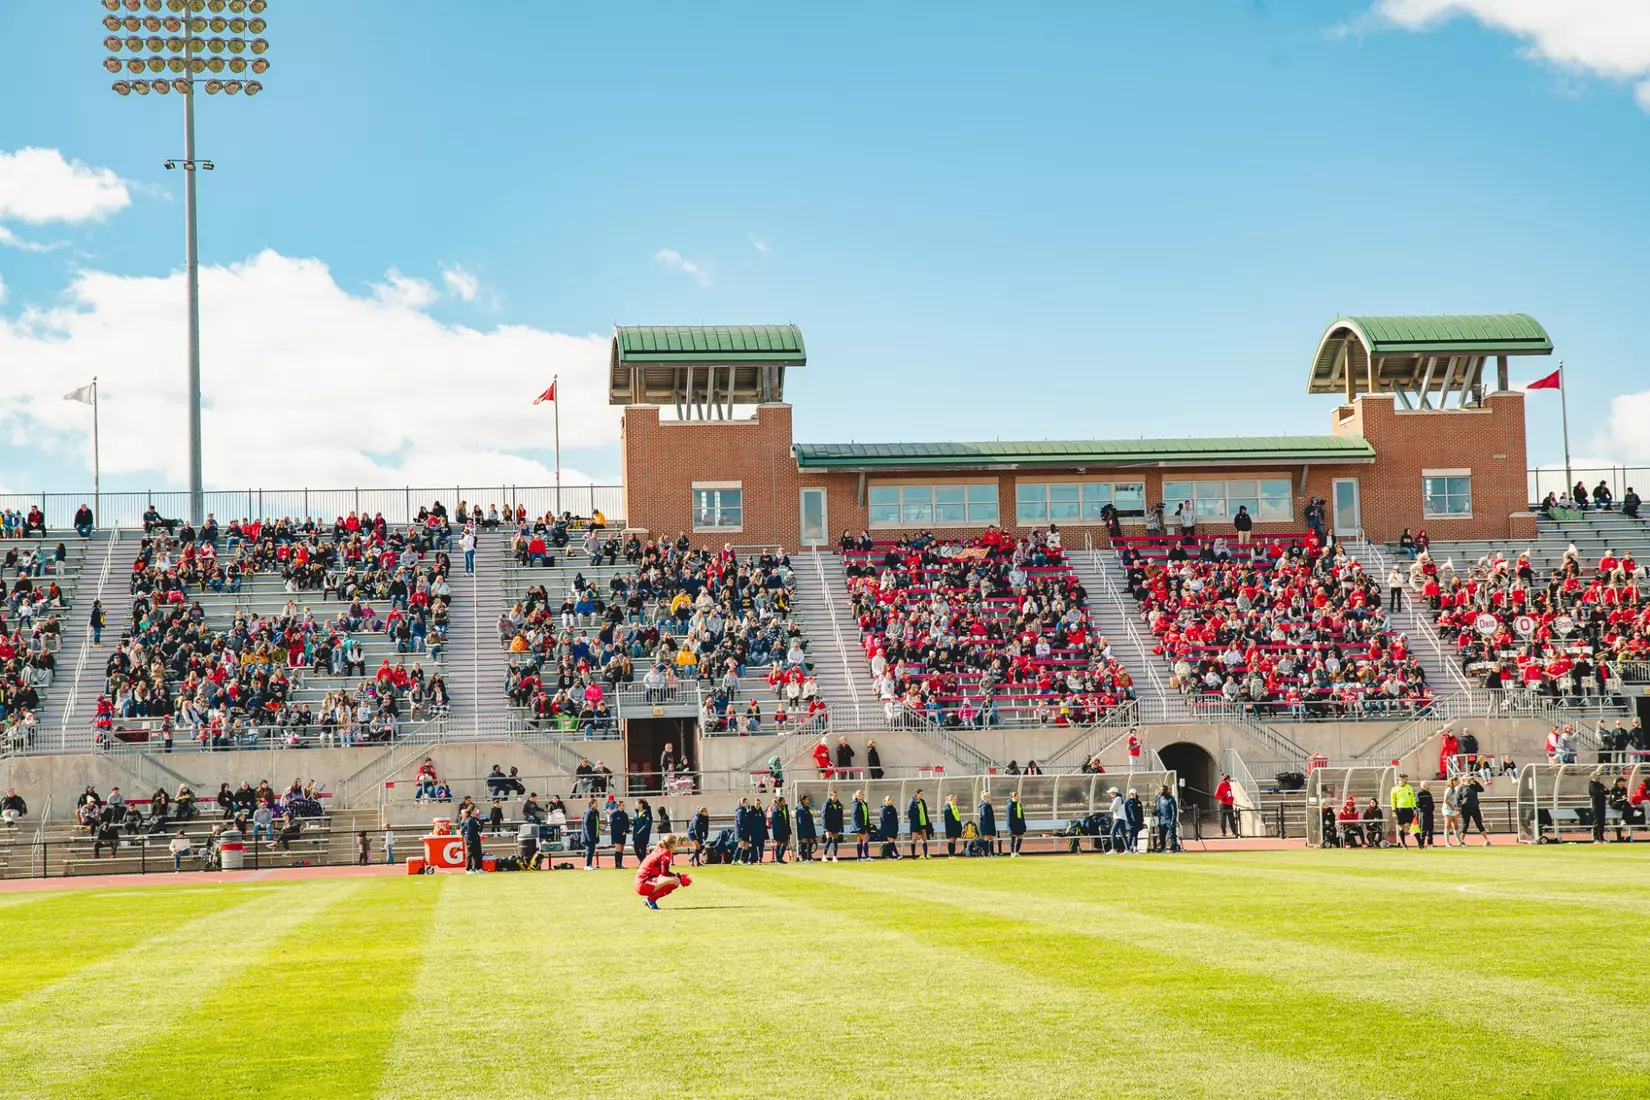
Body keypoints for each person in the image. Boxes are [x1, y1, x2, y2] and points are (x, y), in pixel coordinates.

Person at [635, 834, 691, 910]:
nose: (676, 846)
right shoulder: (666, 852)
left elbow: (662, 872)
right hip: (644, 884)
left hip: (643, 881)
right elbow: (664, 872)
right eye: (676, 844)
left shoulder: (660, 849)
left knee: (674, 879)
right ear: (671, 845)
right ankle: (650, 900)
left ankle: (650, 900)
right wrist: (679, 877)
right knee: (676, 881)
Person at [1458, 775, 1491, 846]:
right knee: (1465, 824)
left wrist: (1475, 781)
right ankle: (1461, 841)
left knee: (1479, 823)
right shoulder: (1461, 787)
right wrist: (1458, 808)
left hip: (1475, 808)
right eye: (1468, 779)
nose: (1469, 780)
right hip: (1465, 809)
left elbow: (1481, 789)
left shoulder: (1473, 786)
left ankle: (1486, 839)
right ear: (1465, 779)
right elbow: (1458, 798)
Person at [1389, 774, 1418, 849]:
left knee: (1414, 826)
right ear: (1401, 779)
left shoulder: (1409, 788)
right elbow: (1393, 801)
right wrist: (1394, 811)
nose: (1407, 780)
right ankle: (1404, 844)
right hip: (1400, 809)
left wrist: (1414, 808)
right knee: (1401, 827)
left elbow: (1412, 799)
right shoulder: (1394, 789)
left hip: (1408, 809)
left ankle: (1420, 843)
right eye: (1405, 779)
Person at [907, 789, 932, 859]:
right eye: (920, 794)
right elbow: (909, 813)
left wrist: (927, 821)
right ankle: (913, 856)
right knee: (914, 839)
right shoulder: (912, 802)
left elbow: (925, 812)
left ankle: (925, 855)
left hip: (923, 823)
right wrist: (914, 820)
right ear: (916, 794)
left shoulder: (922, 801)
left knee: (924, 839)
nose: (922, 795)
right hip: (916, 824)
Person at [1153, 784, 1179, 852]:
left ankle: (1174, 847)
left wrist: (1172, 821)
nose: (1161, 791)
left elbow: (1174, 811)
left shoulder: (1171, 799)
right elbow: (1158, 808)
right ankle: (1162, 847)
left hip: (1169, 819)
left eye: (1163, 790)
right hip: (1162, 820)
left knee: (1172, 834)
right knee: (1162, 835)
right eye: (1161, 790)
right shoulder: (1159, 798)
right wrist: (1155, 811)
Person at [821, 789, 844, 862]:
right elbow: (823, 815)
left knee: (835, 840)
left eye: (836, 796)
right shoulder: (827, 803)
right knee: (829, 839)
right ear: (830, 796)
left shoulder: (839, 805)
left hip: (836, 825)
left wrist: (841, 826)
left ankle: (834, 856)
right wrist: (825, 825)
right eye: (834, 796)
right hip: (828, 825)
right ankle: (824, 856)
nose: (835, 797)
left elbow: (841, 816)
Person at [460, 807, 485, 873]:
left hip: (475, 837)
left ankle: (478, 868)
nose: (476, 811)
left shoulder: (474, 819)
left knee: (478, 853)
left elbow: (479, 830)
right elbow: (470, 830)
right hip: (470, 838)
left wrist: (482, 823)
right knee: (470, 853)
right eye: (474, 810)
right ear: (471, 811)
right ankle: (468, 869)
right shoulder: (469, 820)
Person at [608, 799, 631, 869]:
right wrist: (620, 831)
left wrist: (626, 831)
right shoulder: (614, 814)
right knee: (618, 849)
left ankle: (620, 864)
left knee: (621, 850)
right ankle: (617, 864)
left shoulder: (625, 814)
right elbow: (613, 825)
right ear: (618, 806)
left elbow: (627, 824)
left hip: (623, 834)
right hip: (616, 834)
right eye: (622, 805)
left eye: (624, 805)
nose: (623, 806)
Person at [769, 795, 791, 863]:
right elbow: (774, 822)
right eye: (783, 801)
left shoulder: (785, 809)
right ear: (779, 802)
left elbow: (787, 820)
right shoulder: (775, 810)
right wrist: (776, 831)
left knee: (785, 843)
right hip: (778, 830)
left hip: (785, 829)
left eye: (785, 801)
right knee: (779, 843)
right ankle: (777, 859)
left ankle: (780, 858)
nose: (784, 803)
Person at [851, 790, 873, 861]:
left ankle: (859, 858)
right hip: (859, 825)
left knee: (859, 840)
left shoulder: (864, 803)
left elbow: (866, 815)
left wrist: (867, 825)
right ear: (857, 795)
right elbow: (854, 815)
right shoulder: (855, 803)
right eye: (861, 794)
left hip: (864, 824)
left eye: (863, 794)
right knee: (865, 838)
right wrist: (857, 825)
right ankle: (867, 856)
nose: (863, 795)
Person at [795, 793, 817, 862]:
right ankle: (803, 857)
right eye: (807, 799)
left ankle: (809, 857)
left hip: (810, 827)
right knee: (804, 841)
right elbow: (800, 821)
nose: (808, 801)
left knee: (811, 841)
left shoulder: (807, 808)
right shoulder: (800, 809)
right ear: (803, 800)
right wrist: (803, 830)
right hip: (803, 828)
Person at [878, 795, 901, 860]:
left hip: (893, 829)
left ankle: (890, 856)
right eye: (890, 800)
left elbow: (895, 819)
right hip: (886, 829)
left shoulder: (893, 809)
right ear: (886, 801)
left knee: (890, 842)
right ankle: (897, 854)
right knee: (890, 840)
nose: (891, 801)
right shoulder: (883, 809)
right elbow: (883, 820)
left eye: (891, 800)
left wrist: (896, 828)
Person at [1442, 777, 1463, 847]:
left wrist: (1457, 808)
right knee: (1447, 825)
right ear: (1453, 781)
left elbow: (1454, 800)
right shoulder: (1449, 789)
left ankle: (1459, 842)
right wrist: (1453, 807)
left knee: (1456, 825)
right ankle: (1447, 843)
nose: (1458, 782)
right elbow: (1446, 800)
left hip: (1453, 809)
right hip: (1447, 809)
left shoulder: (1454, 789)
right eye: (1457, 781)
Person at [581, 798, 601, 870]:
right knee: (589, 850)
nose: (596, 804)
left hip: (594, 834)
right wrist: (588, 836)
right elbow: (585, 824)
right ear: (591, 804)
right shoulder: (588, 812)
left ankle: (590, 864)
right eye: (595, 803)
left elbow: (596, 823)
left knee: (592, 850)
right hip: (588, 835)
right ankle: (587, 865)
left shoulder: (596, 812)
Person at [1415, 781, 1436, 849]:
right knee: (1423, 829)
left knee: (1430, 829)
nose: (1429, 786)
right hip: (1423, 813)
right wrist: (1423, 809)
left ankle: (1430, 843)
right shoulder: (1419, 794)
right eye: (1428, 785)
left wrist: (1432, 808)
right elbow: (1417, 803)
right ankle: (1421, 844)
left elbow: (1431, 802)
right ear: (1423, 786)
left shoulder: (1429, 793)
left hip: (1430, 813)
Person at [1589, 776, 1609, 844]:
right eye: (1597, 776)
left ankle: (1601, 837)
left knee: (1602, 822)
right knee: (1597, 821)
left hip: (1602, 805)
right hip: (1596, 805)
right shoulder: (1592, 784)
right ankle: (1596, 838)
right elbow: (1594, 792)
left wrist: (1603, 791)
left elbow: (1608, 792)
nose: (1598, 777)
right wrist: (1603, 791)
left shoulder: (1600, 784)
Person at [977, 791, 998, 856]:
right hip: (986, 825)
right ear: (985, 797)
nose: (990, 798)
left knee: (991, 838)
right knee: (987, 838)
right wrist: (987, 825)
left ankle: (991, 854)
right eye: (988, 796)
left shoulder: (987, 804)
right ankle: (986, 854)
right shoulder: (984, 806)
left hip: (989, 824)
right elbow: (984, 816)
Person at [1006, 789, 1026, 856]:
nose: (1019, 797)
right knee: (1013, 838)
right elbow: (1008, 817)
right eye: (1018, 796)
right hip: (1013, 825)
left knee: (1020, 837)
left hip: (1019, 824)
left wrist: (1023, 824)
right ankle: (1012, 852)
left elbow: (1022, 815)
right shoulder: (1010, 805)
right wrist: (1010, 827)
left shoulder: (1019, 804)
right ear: (1013, 797)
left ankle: (1017, 852)